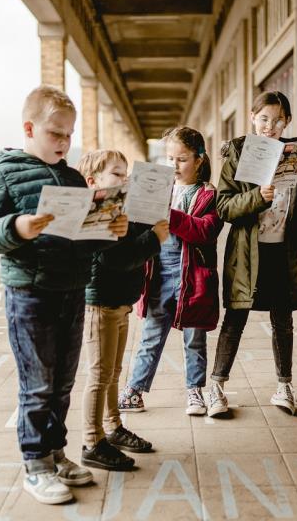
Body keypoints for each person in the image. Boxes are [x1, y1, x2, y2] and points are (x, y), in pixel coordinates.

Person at [0, 85, 128, 505]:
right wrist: (17, 228)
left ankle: (57, 453)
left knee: (62, 383)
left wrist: (108, 233)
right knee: (37, 384)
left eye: (69, 134)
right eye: (55, 133)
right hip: (29, 293)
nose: (64, 142)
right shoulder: (4, 171)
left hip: (72, 291)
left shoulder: (74, 177)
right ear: (29, 127)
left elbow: (81, 240)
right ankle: (35, 464)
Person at [206, 90, 297, 417]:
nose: (270, 126)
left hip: (284, 251)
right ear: (252, 118)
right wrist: (258, 197)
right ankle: (216, 387)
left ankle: (284, 385)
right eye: (263, 119)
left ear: (286, 121)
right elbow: (224, 207)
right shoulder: (238, 152)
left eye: (277, 120)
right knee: (235, 318)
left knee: (282, 321)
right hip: (247, 252)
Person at [118, 126, 223, 416]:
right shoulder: (160, 188)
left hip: (195, 278)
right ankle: (134, 391)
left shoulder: (208, 195)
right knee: (150, 337)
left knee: (194, 338)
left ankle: (195, 391)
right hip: (158, 275)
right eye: (169, 159)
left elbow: (205, 231)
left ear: (200, 159)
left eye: (182, 159)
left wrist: (169, 213)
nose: (174, 166)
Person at [77, 149, 170, 470]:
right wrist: (154, 239)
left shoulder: (121, 208)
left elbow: (130, 245)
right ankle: (92, 441)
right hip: (100, 301)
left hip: (120, 300)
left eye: (126, 172)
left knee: (114, 372)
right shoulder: (97, 212)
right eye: (117, 174)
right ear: (94, 181)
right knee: (99, 373)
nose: (125, 178)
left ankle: (113, 427)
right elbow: (113, 258)